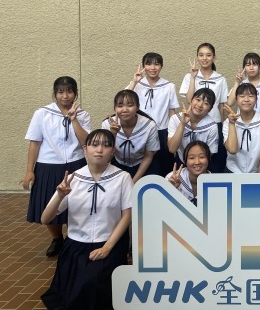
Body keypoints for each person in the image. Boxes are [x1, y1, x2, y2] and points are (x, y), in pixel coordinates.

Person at [40, 129, 132, 310]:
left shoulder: (122, 178)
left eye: (106, 145)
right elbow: (45, 218)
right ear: (85, 149)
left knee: (95, 284)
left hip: (109, 242)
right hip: (76, 245)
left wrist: (107, 248)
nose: (100, 150)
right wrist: (59, 196)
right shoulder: (72, 179)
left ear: (113, 152)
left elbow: (127, 215)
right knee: (74, 295)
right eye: (94, 144)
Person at [22, 76, 91, 257]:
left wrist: (74, 120)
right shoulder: (42, 113)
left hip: (77, 163)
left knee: (77, 204)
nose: (65, 96)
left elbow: (86, 141)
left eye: (69, 92)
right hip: (48, 165)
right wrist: (29, 171)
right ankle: (57, 238)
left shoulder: (83, 114)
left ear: (75, 93)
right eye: (60, 92)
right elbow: (35, 143)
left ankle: (75, 238)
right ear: (55, 93)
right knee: (48, 203)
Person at [126, 52, 179, 175]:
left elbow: (172, 112)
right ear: (143, 66)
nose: (153, 68)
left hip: (162, 132)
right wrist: (134, 81)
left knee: (164, 167)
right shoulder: (137, 84)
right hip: (141, 130)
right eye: (148, 64)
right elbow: (124, 99)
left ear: (161, 66)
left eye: (157, 64)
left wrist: (174, 134)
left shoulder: (169, 86)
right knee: (141, 167)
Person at [179, 43, 228, 171]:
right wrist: (193, 78)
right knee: (194, 157)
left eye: (208, 55)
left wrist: (223, 125)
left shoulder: (221, 78)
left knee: (214, 159)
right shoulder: (189, 76)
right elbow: (190, 100)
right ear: (197, 57)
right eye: (201, 55)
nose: (204, 58)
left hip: (214, 123)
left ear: (214, 58)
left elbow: (221, 105)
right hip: (194, 123)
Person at [101, 90, 160, 183]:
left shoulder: (149, 125)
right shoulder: (107, 124)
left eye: (130, 105)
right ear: (115, 108)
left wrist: (133, 182)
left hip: (143, 166)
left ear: (137, 107)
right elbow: (105, 155)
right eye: (120, 106)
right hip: (117, 165)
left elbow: (148, 156)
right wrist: (113, 134)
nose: (125, 109)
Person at [223, 83, 260, 173]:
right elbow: (232, 150)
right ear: (236, 100)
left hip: (255, 172)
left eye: (251, 96)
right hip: (232, 171)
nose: (246, 100)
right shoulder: (228, 122)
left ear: (256, 100)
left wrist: (258, 179)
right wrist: (232, 123)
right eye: (242, 96)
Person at [168, 88, 218, 170]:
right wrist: (182, 124)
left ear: (210, 109)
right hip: (180, 162)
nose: (200, 105)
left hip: (200, 165)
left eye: (206, 103)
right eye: (198, 100)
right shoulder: (175, 119)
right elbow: (172, 149)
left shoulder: (212, 126)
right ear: (191, 100)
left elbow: (210, 153)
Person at [227, 52, 260, 126]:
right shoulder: (241, 84)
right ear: (244, 68)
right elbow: (229, 103)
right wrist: (237, 83)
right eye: (248, 65)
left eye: (254, 64)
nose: (251, 68)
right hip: (241, 126)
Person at [166, 141, 211, 205]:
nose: (197, 162)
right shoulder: (172, 178)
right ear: (185, 161)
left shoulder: (215, 183)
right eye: (191, 158)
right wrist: (170, 189)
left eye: (201, 157)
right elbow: (162, 206)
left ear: (208, 159)